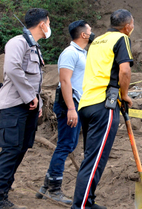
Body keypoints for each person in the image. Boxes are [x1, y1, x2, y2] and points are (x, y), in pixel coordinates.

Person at [0, 8, 50, 209]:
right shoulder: (18, 42)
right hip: (14, 105)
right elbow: (12, 69)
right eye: (48, 22)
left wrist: (37, 100)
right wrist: (30, 96)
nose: (49, 26)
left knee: (21, 149)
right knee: (10, 150)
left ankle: (4, 192)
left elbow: (34, 79)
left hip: (28, 107)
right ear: (42, 24)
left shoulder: (35, 47)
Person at [71, 9, 134, 209]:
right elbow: (124, 70)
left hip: (86, 104)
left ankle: (88, 201)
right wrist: (124, 95)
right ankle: (81, 206)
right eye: (132, 25)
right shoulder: (121, 39)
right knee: (95, 160)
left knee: (91, 156)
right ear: (127, 26)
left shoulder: (97, 41)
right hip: (104, 105)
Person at [37, 20, 95, 204]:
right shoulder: (70, 53)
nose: (92, 32)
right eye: (90, 30)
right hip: (69, 105)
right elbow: (65, 81)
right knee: (65, 145)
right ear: (83, 35)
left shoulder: (81, 53)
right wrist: (71, 108)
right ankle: (54, 189)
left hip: (75, 103)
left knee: (67, 145)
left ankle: (46, 186)